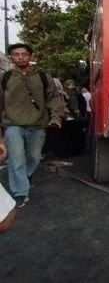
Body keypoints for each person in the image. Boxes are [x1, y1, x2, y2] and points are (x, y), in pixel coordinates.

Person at [0, 43, 64, 208]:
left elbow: (54, 97)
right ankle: (21, 192)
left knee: (35, 157)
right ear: (10, 57)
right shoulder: (5, 78)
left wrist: (56, 117)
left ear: (31, 56)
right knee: (16, 158)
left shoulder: (42, 76)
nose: (20, 57)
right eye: (16, 54)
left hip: (37, 124)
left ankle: (25, 176)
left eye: (24, 54)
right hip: (12, 124)